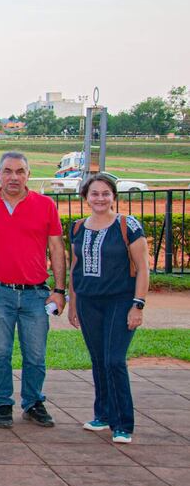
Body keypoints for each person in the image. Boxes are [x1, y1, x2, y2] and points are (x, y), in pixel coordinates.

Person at [0, 152, 66, 429]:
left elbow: (57, 248)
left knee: (35, 354)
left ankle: (33, 402)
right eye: (8, 171)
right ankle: (2, 403)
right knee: (0, 352)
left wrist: (60, 290)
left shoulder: (45, 205)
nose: (14, 177)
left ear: (29, 174)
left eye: (20, 171)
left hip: (36, 294)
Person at [68, 174, 149, 444]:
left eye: (105, 193)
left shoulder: (128, 225)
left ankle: (123, 421)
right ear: (85, 197)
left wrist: (137, 305)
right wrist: (73, 303)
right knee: (98, 359)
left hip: (120, 300)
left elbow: (143, 268)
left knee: (114, 360)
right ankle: (102, 413)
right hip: (89, 301)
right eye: (94, 193)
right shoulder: (78, 228)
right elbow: (75, 267)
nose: (100, 198)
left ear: (114, 196)